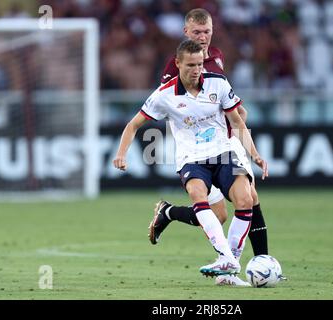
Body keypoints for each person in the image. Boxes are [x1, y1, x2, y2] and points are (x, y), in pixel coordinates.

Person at [113, 40, 268, 278]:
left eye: (199, 64)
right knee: (199, 195)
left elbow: (237, 121)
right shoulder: (164, 95)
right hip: (192, 158)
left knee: (245, 198)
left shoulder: (218, 83)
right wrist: (121, 154)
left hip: (224, 152)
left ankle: (229, 261)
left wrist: (254, 154)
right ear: (178, 64)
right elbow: (133, 125)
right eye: (190, 65)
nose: (196, 70)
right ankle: (226, 258)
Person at [148, 8, 270, 286]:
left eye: (207, 32)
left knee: (248, 197)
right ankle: (169, 213)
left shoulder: (215, 56)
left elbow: (222, 95)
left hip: (226, 142)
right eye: (197, 33)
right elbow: (178, 105)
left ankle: (259, 262)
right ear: (185, 33)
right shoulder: (174, 67)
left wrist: (237, 113)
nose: (202, 38)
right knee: (220, 213)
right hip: (199, 150)